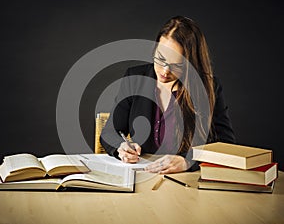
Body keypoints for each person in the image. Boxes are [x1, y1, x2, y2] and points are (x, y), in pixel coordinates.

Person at [100, 16, 235, 174]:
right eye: (160, 59)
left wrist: (187, 162)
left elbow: (225, 144)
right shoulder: (135, 78)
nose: (164, 71)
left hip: (185, 180)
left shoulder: (208, 87)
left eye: (176, 65)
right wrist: (121, 148)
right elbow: (109, 132)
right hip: (142, 174)